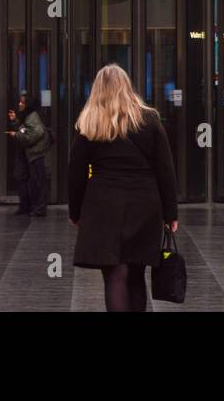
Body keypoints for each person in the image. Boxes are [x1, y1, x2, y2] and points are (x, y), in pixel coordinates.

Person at [68, 64, 178, 312]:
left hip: (103, 204)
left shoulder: (88, 123)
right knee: (137, 274)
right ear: (127, 87)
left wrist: (76, 212)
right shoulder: (149, 119)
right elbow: (165, 170)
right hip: (144, 203)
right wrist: (171, 213)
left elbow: (75, 174)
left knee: (114, 275)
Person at [8, 93, 50, 217]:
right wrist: (15, 121)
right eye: (19, 102)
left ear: (27, 105)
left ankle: (39, 208)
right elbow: (25, 130)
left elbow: (34, 133)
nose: (19, 104)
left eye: (22, 102)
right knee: (30, 180)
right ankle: (29, 206)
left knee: (38, 181)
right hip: (30, 153)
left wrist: (16, 135)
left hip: (35, 154)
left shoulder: (32, 117)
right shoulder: (27, 116)